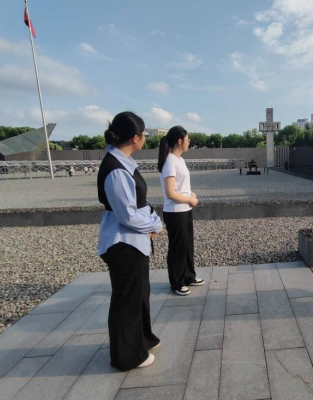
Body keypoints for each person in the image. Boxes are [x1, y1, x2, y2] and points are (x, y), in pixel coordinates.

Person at [97, 111, 163, 371]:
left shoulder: (122, 161)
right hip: (123, 243)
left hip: (133, 240)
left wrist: (152, 219)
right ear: (135, 138)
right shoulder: (116, 169)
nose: (145, 138)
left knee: (139, 295)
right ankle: (126, 356)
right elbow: (127, 215)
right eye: (144, 134)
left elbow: (138, 204)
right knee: (127, 299)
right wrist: (155, 224)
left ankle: (142, 339)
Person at [157, 126, 204, 296]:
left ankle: (188, 276)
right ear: (179, 141)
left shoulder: (179, 160)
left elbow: (180, 187)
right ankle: (176, 283)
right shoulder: (170, 162)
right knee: (177, 248)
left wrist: (190, 194)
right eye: (187, 139)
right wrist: (190, 199)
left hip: (184, 209)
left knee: (187, 245)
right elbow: (170, 193)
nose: (188, 142)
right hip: (175, 211)